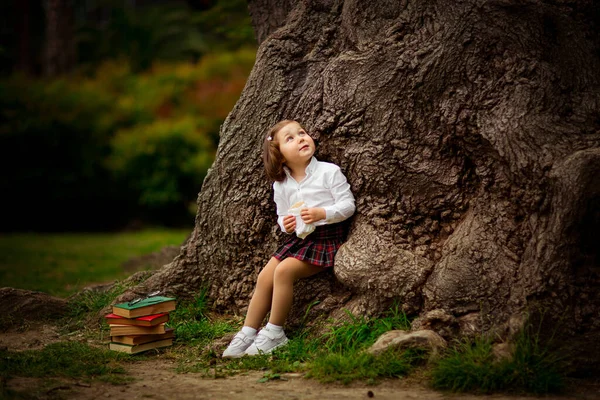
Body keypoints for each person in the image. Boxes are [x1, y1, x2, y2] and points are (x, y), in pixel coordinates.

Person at [222, 120, 356, 358]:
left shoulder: (329, 171)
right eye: (290, 138)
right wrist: (288, 224)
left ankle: (275, 332)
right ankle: (248, 332)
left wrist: (322, 213)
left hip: (326, 240)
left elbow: (348, 206)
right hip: (300, 240)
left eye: (302, 133)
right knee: (265, 275)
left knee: (283, 271)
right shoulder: (281, 184)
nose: (301, 138)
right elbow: (282, 217)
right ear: (280, 156)